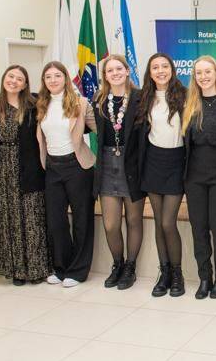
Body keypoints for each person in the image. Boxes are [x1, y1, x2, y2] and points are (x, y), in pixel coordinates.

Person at [0, 65, 49, 286]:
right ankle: (15, 271)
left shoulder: (34, 104)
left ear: (25, 84)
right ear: (4, 78)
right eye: (10, 76)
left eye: (19, 79)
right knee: (7, 220)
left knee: (32, 218)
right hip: (1, 170)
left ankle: (36, 269)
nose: (13, 81)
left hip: (29, 167)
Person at [36, 61, 96, 288]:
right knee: (55, 221)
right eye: (48, 76)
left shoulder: (80, 103)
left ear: (65, 78)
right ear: (44, 81)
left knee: (82, 220)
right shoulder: (40, 105)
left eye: (57, 75)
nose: (53, 80)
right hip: (52, 168)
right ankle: (61, 268)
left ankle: (78, 271)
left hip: (77, 167)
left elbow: (100, 127)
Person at [182, 56, 216, 299]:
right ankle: (204, 277)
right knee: (199, 228)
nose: (203, 77)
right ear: (194, 77)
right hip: (194, 177)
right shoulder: (188, 105)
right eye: (199, 73)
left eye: (208, 72)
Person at [137, 53, 187, 298]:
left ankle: (178, 274)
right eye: (155, 67)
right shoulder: (143, 97)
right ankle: (164, 273)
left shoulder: (185, 95)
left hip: (176, 161)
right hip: (153, 162)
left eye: (164, 66)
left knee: (168, 222)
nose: (160, 71)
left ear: (172, 69)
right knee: (159, 222)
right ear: (150, 72)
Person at [92, 55, 144, 290]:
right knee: (111, 224)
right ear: (105, 75)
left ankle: (130, 267)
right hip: (107, 165)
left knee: (133, 220)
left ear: (127, 70)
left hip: (132, 164)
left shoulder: (140, 97)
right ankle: (118, 264)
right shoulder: (99, 99)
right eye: (110, 70)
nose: (115, 73)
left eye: (118, 68)